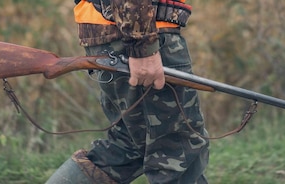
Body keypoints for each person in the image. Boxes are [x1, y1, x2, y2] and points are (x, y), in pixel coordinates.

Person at [46, 0, 210, 183]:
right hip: (142, 31)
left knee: (129, 145)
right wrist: (142, 45)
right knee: (177, 149)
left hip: (118, 30)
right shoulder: (142, 41)